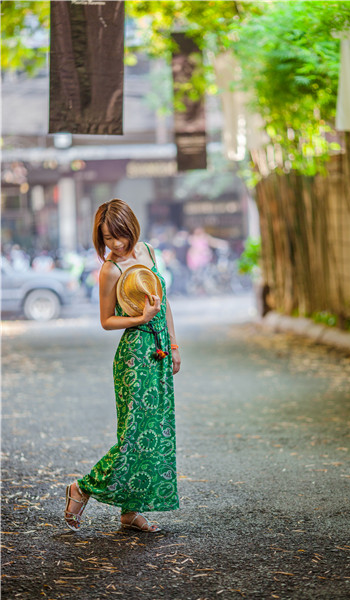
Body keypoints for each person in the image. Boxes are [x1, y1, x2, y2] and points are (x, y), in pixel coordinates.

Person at [64, 199, 181, 532]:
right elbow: (106, 321)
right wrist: (140, 318)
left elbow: (164, 302)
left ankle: (130, 512)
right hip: (134, 355)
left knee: (155, 432)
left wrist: (173, 345)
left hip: (160, 349)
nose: (116, 244)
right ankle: (82, 488)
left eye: (120, 235)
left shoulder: (148, 252)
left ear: (132, 228)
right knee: (133, 436)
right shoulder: (110, 269)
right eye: (107, 238)